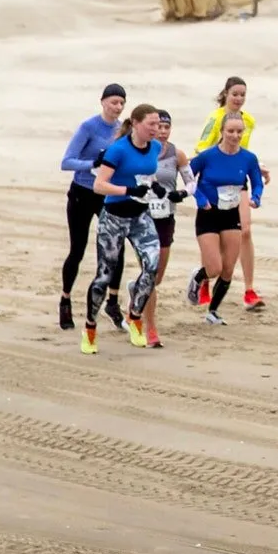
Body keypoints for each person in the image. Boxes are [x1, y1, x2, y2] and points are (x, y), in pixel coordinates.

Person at [82, 104, 166, 353]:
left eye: (159, 124)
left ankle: (135, 316)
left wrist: (156, 187)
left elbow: (146, 174)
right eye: (151, 124)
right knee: (104, 276)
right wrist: (127, 191)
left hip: (140, 216)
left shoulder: (156, 147)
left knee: (152, 266)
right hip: (114, 218)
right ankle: (89, 327)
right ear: (136, 123)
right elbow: (99, 185)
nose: (157, 129)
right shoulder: (118, 150)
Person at [184, 114, 265, 327]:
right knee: (214, 268)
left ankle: (213, 311)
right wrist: (200, 199)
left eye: (239, 131)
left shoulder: (248, 158)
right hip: (208, 214)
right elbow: (188, 179)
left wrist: (256, 198)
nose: (235, 135)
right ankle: (198, 277)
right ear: (222, 132)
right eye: (231, 131)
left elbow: (257, 182)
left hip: (231, 215)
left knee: (228, 268)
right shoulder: (207, 156)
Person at [59, 84, 126, 331]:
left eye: (121, 103)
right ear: (103, 102)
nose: (117, 107)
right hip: (82, 193)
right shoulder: (89, 127)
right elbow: (66, 162)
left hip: (106, 195)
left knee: (115, 249)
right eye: (113, 102)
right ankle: (65, 300)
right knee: (77, 249)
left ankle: (113, 301)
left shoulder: (122, 130)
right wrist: (92, 163)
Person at [196, 77, 263, 309]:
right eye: (235, 93)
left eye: (243, 94)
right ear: (225, 94)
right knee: (215, 234)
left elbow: (244, 152)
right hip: (214, 182)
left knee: (244, 230)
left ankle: (249, 289)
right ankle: (205, 277)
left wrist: (256, 168)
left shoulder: (249, 120)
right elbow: (201, 147)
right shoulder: (215, 119)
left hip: (237, 181)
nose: (239, 98)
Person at [141, 111, 190, 348]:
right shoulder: (141, 151)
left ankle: (137, 290)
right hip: (143, 216)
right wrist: (150, 186)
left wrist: (182, 193)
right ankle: (151, 328)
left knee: (157, 276)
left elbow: (191, 183)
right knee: (149, 273)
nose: (162, 130)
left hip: (166, 217)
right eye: (158, 126)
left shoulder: (176, 154)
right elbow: (135, 177)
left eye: (166, 127)